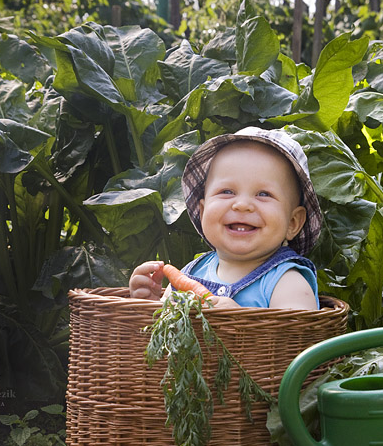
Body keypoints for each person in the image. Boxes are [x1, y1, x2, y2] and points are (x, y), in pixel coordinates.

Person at [129, 126, 323, 310]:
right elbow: (165, 336)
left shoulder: (287, 281)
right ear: (203, 211)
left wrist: (241, 323)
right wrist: (151, 305)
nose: (242, 204)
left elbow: (298, 340)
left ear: (293, 222)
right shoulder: (191, 274)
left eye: (263, 194)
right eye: (227, 191)